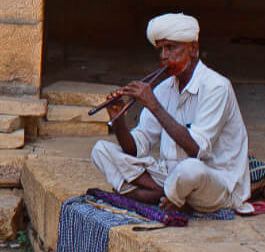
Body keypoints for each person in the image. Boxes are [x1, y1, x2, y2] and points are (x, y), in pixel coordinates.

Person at [91, 13, 250, 213]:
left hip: (214, 183)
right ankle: (162, 193)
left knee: (191, 168)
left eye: (171, 48)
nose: (164, 56)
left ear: (193, 49)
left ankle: (147, 193)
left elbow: (197, 150)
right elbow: (136, 148)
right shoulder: (164, 89)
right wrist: (118, 120)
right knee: (100, 149)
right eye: (161, 50)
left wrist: (154, 106)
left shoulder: (217, 87)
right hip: (170, 176)